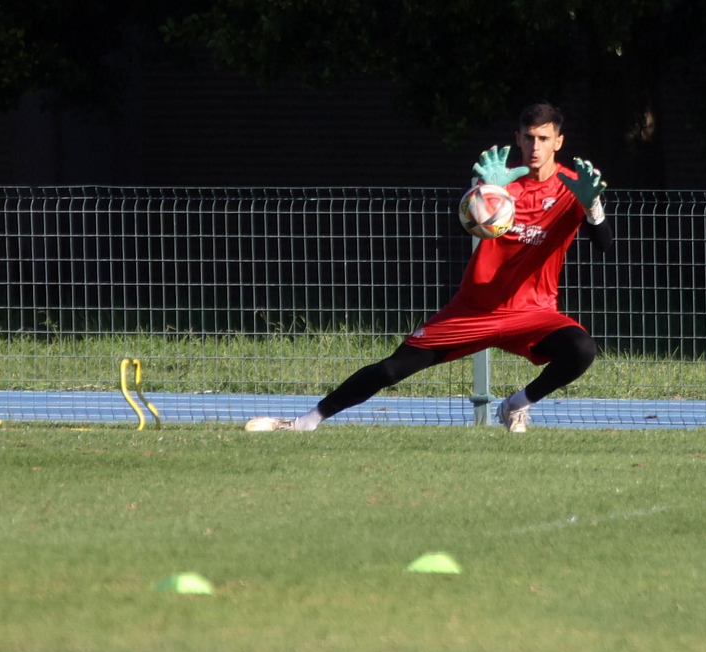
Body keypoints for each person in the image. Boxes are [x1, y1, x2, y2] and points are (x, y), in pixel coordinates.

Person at [248, 102, 614, 433]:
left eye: (543, 139)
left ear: (558, 142)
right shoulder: (501, 185)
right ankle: (302, 423)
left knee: (581, 348)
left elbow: (604, 247)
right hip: (473, 309)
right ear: (517, 138)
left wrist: (593, 208)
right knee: (391, 370)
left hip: (533, 311)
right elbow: (463, 226)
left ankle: (517, 405)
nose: (535, 147)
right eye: (529, 138)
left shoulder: (573, 188)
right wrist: (484, 194)